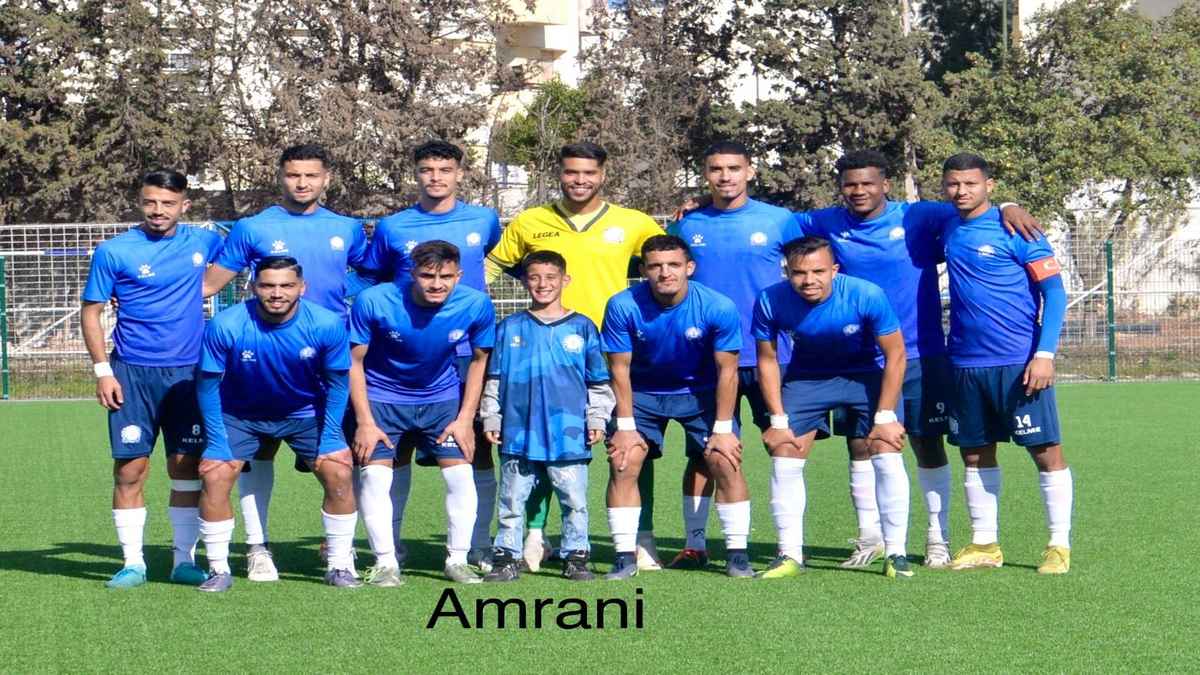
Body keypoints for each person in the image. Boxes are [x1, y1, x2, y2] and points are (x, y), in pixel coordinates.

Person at [790, 150, 1044, 569]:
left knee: (928, 443)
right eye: (851, 184)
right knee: (861, 444)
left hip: (921, 354)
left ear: (885, 184)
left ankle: (937, 539)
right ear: (841, 188)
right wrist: (700, 205)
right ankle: (870, 537)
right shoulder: (825, 222)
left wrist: (1009, 206)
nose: (859, 190)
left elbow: (973, 206)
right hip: (859, 360)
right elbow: (769, 222)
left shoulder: (919, 216)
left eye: (868, 183)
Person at [486, 141, 665, 571]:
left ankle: (640, 537)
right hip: (546, 350)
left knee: (631, 443)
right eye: (571, 172)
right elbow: (488, 268)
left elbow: (669, 259)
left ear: (603, 174)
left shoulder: (633, 222)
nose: (579, 180)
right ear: (559, 174)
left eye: (588, 173)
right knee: (540, 442)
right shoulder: (530, 221)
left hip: (616, 350)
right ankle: (535, 536)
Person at [202, 143, 368, 582]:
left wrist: (349, 301)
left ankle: (339, 552)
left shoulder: (347, 228)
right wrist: (141, 301)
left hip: (324, 361)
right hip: (260, 355)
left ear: (326, 178)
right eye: (294, 175)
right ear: (280, 176)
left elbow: (372, 276)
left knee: (339, 461)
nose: (302, 183)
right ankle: (258, 548)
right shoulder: (252, 227)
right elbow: (208, 285)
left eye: (311, 175)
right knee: (257, 456)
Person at [360, 140, 503, 572]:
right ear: (416, 174)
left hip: (465, 353)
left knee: (474, 448)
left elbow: (499, 260)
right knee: (395, 450)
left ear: (460, 172)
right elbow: (369, 277)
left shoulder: (484, 219)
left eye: (444, 169)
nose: (436, 177)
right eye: (427, 169)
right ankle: (390, 548)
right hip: (403, 357)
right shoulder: (392, 227)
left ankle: (476, 545)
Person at [81, 169, 223, 588]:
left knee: (186, 467)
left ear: (185, 205)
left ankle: (183, 561)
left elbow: (241, 256)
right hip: (131, 373)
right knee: (130, 469)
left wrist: (206, 288)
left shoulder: (205, 241)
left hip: (189, 374)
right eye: (150, 202)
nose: (158, 210)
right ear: (140, 202)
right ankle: (133, 564)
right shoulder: (114, 251)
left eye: (168, 203)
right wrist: (103, 371)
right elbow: (91, 312)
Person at [666, 140, 801, 569]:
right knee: (705, 453)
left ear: (750, 171)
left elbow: (811, 269)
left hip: (771, 355)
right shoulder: (687, 225)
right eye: (716, 169)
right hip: (706, 360)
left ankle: (788, 547)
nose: (725, 176)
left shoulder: (779, 220)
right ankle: (695, 544)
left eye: (734, 168)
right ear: (705, 173)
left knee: (785, 447)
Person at [938, 153, 1073, 575]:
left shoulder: (1017, 228)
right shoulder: (946, 226)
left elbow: (1055, 294)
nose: (961, 191)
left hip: (1019, 363)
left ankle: (1058, 545)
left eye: (970, 184)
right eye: (953, 184)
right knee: (975, 454)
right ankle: (984, 543)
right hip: (965, 363)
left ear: (989, 186)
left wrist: (1044, 355)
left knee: (1045, 451)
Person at [753, 236, 914, 580]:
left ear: (834, 270)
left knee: (885, 448)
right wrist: (777, 420)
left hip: (864, 376)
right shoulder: (770, 299)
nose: (809, 280)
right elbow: (766, 360)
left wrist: (886, 416)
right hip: (807, 379)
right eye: (799, 273)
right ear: (787, 273)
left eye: (818, 272)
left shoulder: (866, 294)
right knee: (784, 449)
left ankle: (896, 554)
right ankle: (789, 554)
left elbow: (896, 354)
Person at [193, 256, 358, 591]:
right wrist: (217, 442)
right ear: (254, 287)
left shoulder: (326, 324)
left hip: (305, 414)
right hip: (241, 415)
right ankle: (219, 569)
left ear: (302, 288)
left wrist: (330, 437)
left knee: (339, 471)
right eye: (268, 285)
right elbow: (207, 386)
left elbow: (339, 384)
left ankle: (340, 565)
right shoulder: (226, 324)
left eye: (286, 285)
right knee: (214, 475)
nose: (277, 293)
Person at [601, 235, 752, 580]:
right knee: (624, 460)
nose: (665, 273)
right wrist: (625, 427)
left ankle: (736, 555)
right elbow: (619, 369)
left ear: (690, 267)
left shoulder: (717, 306)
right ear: (643, 270)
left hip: (701, 392)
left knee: (723, 460)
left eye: (673, 265)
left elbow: (728, 371)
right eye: (655, 266)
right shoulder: (622, 305)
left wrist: (723, 430)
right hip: (642, 393)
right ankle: (625, 557)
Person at [346, 241, 495, 585]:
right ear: (412, 273)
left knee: (461, 476)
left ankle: (457, 560)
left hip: (442, 400)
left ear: (459, 275)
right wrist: (365, 421)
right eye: (428, 276)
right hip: (382, 399)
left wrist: (465, 419)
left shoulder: (476, 303)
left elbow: (479, 361)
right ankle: (386, 562)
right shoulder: (374, 300)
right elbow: (354, 362)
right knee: (374, 477)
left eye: (446, 277)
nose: (437, 284)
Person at [480, 251, 614, 582]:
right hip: (518, 432)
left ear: (565, 280)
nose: (543, 284)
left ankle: (576, 556)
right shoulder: (510, 327)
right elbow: (494, 379)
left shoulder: (583, 327)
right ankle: (506, 557)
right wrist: (491, 417)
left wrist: (597, 419)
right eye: (535, 277)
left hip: (568, 434)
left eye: (551, 277)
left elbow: (598, 381)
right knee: (511, 501)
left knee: (574, 501)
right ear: (525, 282)